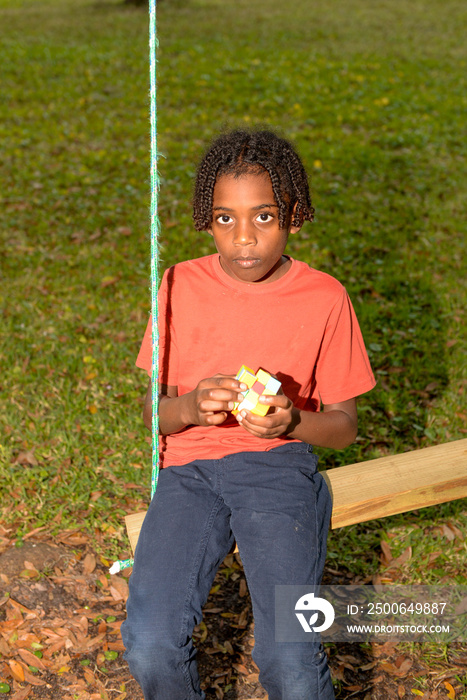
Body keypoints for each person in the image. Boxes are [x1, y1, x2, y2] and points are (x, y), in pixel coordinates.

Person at [121, 129, 376, 699]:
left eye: (263, 217)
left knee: (288, 651)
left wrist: (291, 423)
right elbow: (152, 412)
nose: (243, 239)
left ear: (293, 214)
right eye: (224, 218)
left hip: (278, 472)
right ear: (205, 220)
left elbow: (344, 426)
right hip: (188, 475)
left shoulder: (324, 297)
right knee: (150, 641)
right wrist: (185, 407)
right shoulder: (177, 285)